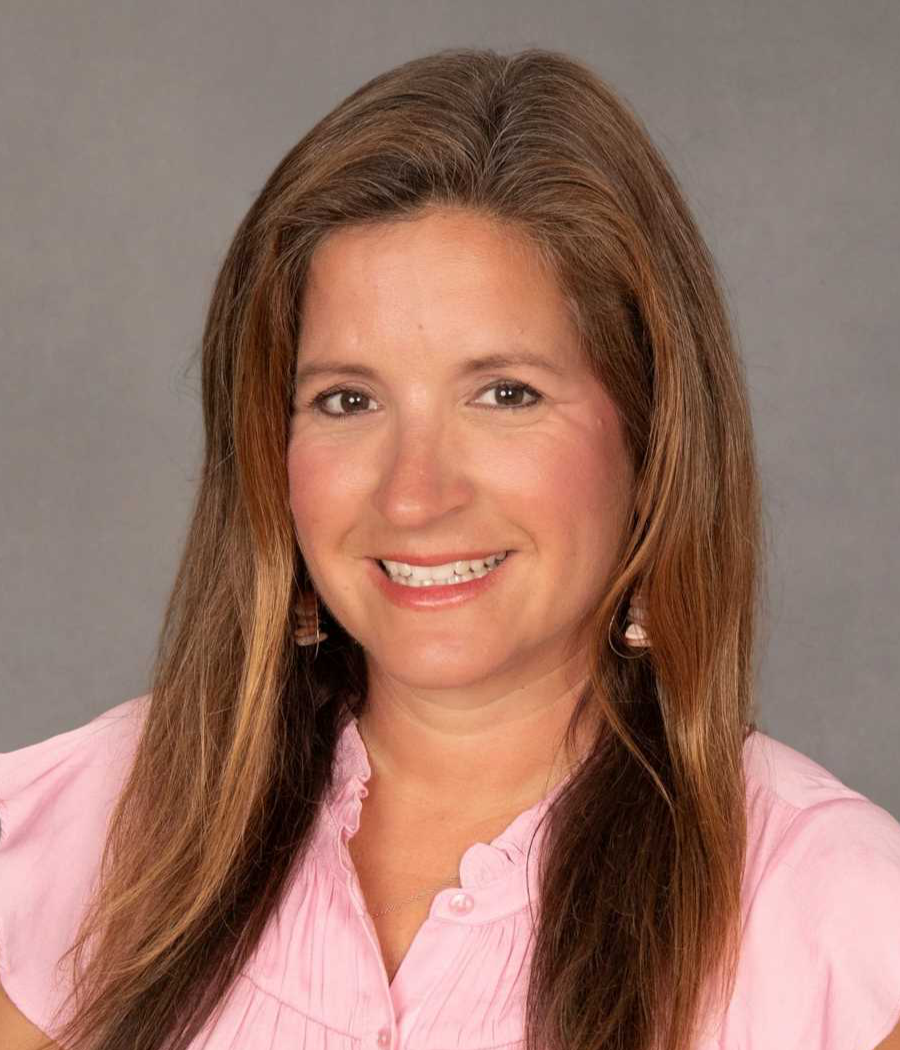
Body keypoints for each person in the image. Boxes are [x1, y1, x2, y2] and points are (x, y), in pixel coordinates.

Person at [1, 45, 899, 1050]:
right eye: (347, 399)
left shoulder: (840, 928)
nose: (414, 493)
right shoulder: (64, 841)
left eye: (504, 394)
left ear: (650, 442)